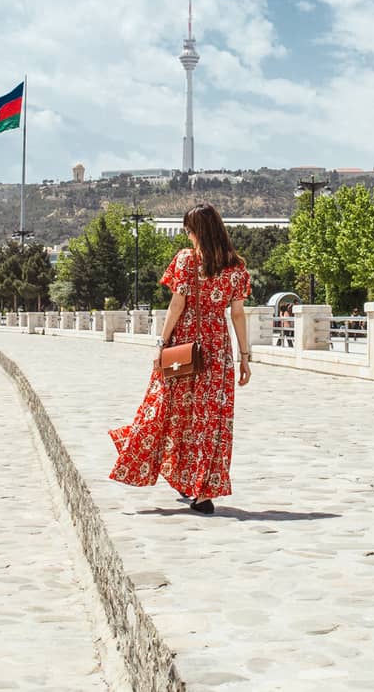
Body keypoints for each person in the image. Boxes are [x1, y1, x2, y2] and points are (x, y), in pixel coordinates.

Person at [110, 203, 251, 515]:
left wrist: (161, 343)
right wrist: (245, 356)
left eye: (189, 229)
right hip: (217, 353)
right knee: (211, 421)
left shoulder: (187, 260)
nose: (187, 235)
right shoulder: (237, 267)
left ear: (196, 232)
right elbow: (238, 315)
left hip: (182, 350)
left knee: (167, 409)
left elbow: (176, 305)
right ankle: (201, 491)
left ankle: (160, 464)